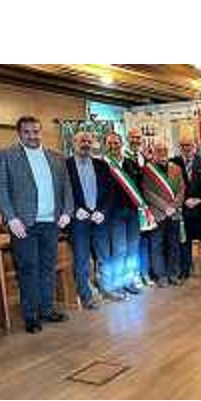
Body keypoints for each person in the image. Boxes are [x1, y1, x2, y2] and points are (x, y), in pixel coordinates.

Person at [0, 116, 73, 333]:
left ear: (41, 131)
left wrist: (67, 212)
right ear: (19, 133)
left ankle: (47, 309)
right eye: (27, 132)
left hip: (51, 223)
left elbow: (67, 188)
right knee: (28, 269)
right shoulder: (5, 155)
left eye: (36, 131)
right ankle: (31, 316)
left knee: (48, 267)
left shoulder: (56, 157)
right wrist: (11, 218)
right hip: (23, 225)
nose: (32, 136)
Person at [66, 131, 115, 308]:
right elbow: (61, 193)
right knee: (82, 260)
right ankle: (86, 295)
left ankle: (107, 288)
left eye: (88, 141)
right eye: (82, 141)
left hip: (99, 219)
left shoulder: (101, 165)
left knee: (104, 256)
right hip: (79, 221)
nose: (85, 144)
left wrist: (103, 211)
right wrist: (74, 210)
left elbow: (110, 192)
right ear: (74, 143)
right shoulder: (65, 166)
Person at [104, 132, 146, 297]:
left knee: (133, 248)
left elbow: (139, 187)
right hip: (114, 214)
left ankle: (129, 281)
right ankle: (118, 283)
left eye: (116, 143)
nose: (113, 146)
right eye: (110, 143)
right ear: (106, 145)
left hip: (132, 212)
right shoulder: (103, 164)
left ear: (121, 144)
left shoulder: (130, 163)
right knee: (119, 250)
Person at [141, 141, 185, 287]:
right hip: (158, 214)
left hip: (174, 213)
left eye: (164, 150)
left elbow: (182, 190)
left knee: (174, 245)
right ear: (154, 152)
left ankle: (174, 274)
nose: (162, 152)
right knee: (157, 246)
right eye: (159, 150)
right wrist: (165, 207)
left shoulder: (176, 168)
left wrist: (174, 206)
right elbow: (147, 192)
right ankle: (161, 275)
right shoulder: (148, 170)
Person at [171, 135, 201, 279]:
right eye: (183, 145)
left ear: (194, 146)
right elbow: (172, 187)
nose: (186, 148)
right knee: (184, 240)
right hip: (183, 208)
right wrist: (183, 201)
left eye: (188, 145)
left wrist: (199, 200)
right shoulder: (174, 163)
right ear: (179, 147)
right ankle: (185, 269)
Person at [126, 127, 154, 285]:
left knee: (145, 242)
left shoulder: (145, 158)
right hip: (131, 208)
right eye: (133, 137)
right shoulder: (123, 158)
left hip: (146, 208)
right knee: (133, 243)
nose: (135, 140)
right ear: (128, 139)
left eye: (138, 138)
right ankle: (134, 275)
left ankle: (145, 273)